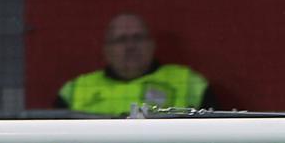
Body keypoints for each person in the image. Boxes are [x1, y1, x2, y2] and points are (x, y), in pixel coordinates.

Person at [58, 13, 212, 115]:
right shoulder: (77, 88)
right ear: (106, 49)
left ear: (152, 45)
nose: (130, 46)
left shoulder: (188, 81)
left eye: (138, 38)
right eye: (121, 40)